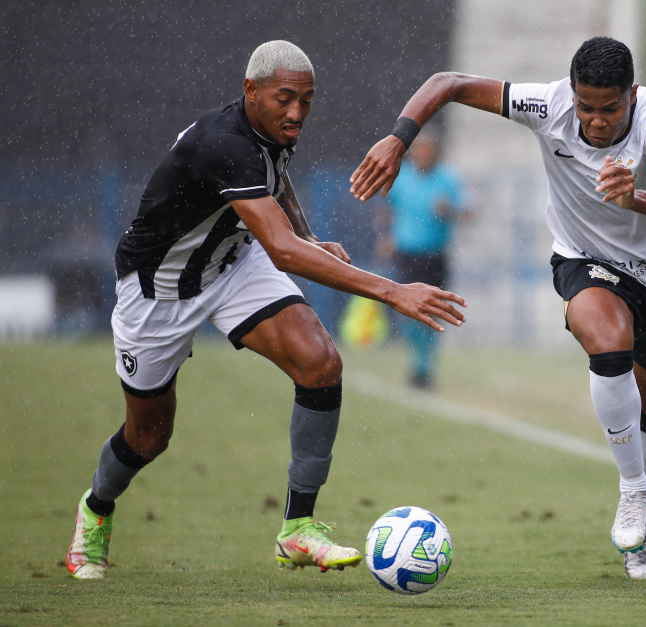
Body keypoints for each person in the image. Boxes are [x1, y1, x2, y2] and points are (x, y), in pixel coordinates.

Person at [66, 40, 467, 580]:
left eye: (306, 101)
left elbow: (276, 180)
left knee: (321, 363)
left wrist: (307, 234)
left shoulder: (269, 130)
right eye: (285, 99)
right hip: (158, 292)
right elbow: (280, 250)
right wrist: (393, 292)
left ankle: (297, 529)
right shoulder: (223, 142)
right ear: (250, 91)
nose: (297, 112)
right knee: (149, 437)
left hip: (233, 264)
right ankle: (95, 510)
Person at [350, 36, 646, 580]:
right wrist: (398, 139)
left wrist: (636, 197)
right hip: (584, 259)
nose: (598, 121)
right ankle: (632, 490)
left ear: (631, 95)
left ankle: (643, 507)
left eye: (611, 109)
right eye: (587, 107)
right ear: (572, 94)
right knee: (606, 342)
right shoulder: (547, 104)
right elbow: (448, 84)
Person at [374, 132, 470, 388]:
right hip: (407, 255)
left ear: (436, 153)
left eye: (429, 150)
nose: (423, 155)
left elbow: (470, 211)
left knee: (433, 312)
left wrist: (449, 209)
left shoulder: (448, 178)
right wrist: (385, 236)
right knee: (408, 311)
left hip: (436, 256)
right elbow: (386, 207)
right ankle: (417, 363)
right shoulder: (402, 177)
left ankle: (426, 365)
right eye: (420, 150)